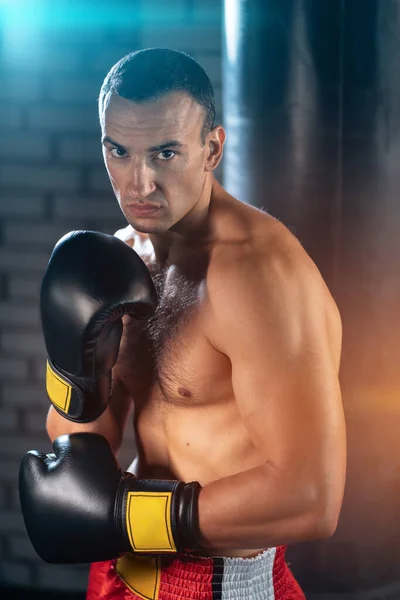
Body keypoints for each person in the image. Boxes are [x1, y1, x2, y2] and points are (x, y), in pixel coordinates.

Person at [19, 48, 346, 599]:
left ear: (212, 147)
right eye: (119, 152)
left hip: (216, 577)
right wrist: (75, 374)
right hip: (127, 564)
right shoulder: (120, 260)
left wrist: (124, 515)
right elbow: (86, 440)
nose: (139, 183)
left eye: (165, 153)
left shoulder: (259, 277)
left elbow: (311, 497)